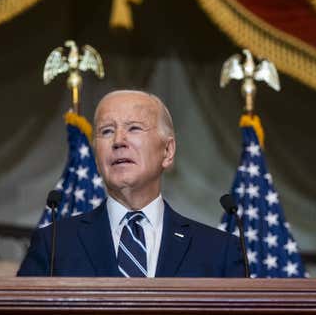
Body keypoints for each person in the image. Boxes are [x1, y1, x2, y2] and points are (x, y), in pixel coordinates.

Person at [17, 90, 244, 277]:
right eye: (107, 131)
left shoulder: (218, 252)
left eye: (134, 128)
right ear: (96, 157)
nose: (118, 141)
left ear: (167, 151)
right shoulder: (54, 244)